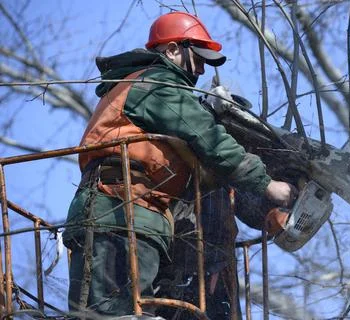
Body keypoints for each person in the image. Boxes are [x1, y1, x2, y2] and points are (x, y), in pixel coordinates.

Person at [62, 11, 296, 318]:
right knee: (109, 314)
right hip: (115, 212)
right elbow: (207, 136)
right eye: (197, 59)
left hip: (140, 217)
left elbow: (214, 168)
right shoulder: (156, 85)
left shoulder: (162, 98)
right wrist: (268, 185)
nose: (199, 69)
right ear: (172, 50)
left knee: (130, 313)